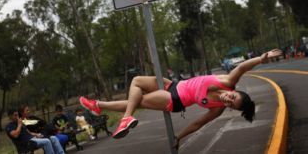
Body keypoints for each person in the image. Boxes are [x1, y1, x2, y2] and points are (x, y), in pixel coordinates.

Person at [79, 49, 282, 150]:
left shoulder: (217, 108)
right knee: (137, 82)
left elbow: (198, 123)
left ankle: (108, 110)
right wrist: (262, 58)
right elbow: (243, 67)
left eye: (230, 104)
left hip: (174, 100)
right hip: (173, 85)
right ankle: (101, 107)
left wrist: (179, 138)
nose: (228, 99)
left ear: (229, 108)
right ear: (235, 91)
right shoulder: (227, 80)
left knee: (138, 97)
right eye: (233, 97)